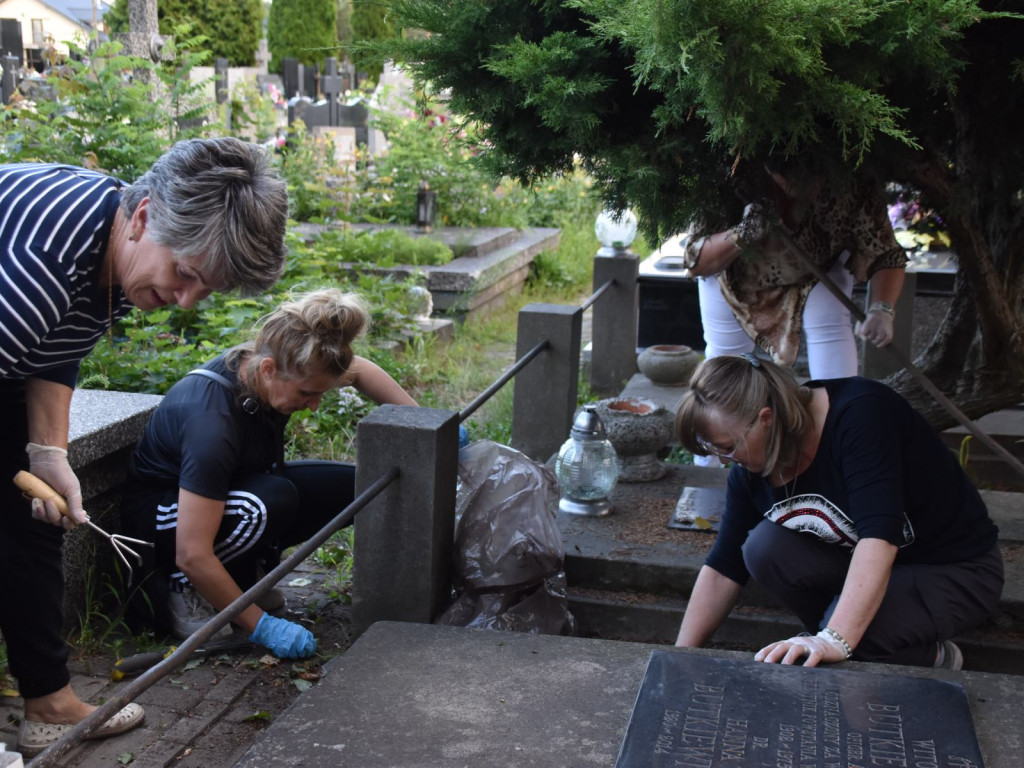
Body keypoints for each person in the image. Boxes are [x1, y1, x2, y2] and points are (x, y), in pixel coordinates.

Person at [0, 137, 289, 756]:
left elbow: (53, 353)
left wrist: (47, 452)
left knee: (32, 519)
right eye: (185, 274)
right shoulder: (45, 260)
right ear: (142, 216)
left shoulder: (113, 255)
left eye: (203, 290)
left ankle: (48, 701)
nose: (184, 300)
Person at [119, 288, 418, 660]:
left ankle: (242, 579)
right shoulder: (211, 422)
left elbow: (360, 371)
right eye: (308, 394)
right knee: (263, 504)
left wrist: (423, 421)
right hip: (160, 523)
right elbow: (192, 552)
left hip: (220, 498)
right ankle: (185, 594)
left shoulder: (284, 365)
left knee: (353, 488)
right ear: (267, 370)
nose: (313, 405)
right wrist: (261, 626)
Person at [673, 353, 1003, 669]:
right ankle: (853, 633)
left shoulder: (861, 414)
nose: (722, 460)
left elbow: (879, 535)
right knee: (765, 548)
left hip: (955, 568)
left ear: (765, 418)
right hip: (872, 567)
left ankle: (935, 658)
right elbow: (722, 569)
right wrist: (679, 660)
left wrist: (835, 638)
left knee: (852, 640)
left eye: (727, 447)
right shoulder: (749, 472)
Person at [678, 161, 907, 466]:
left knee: (834, 362)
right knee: (723, 366)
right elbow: (696, 260)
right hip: (734, 275)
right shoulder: (730, 171)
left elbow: (885, 252)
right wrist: (741, 233)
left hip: (816, 270)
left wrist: (882, 307)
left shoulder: (849, 179)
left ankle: (839, 457)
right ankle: (713, 469)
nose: (797, 184)